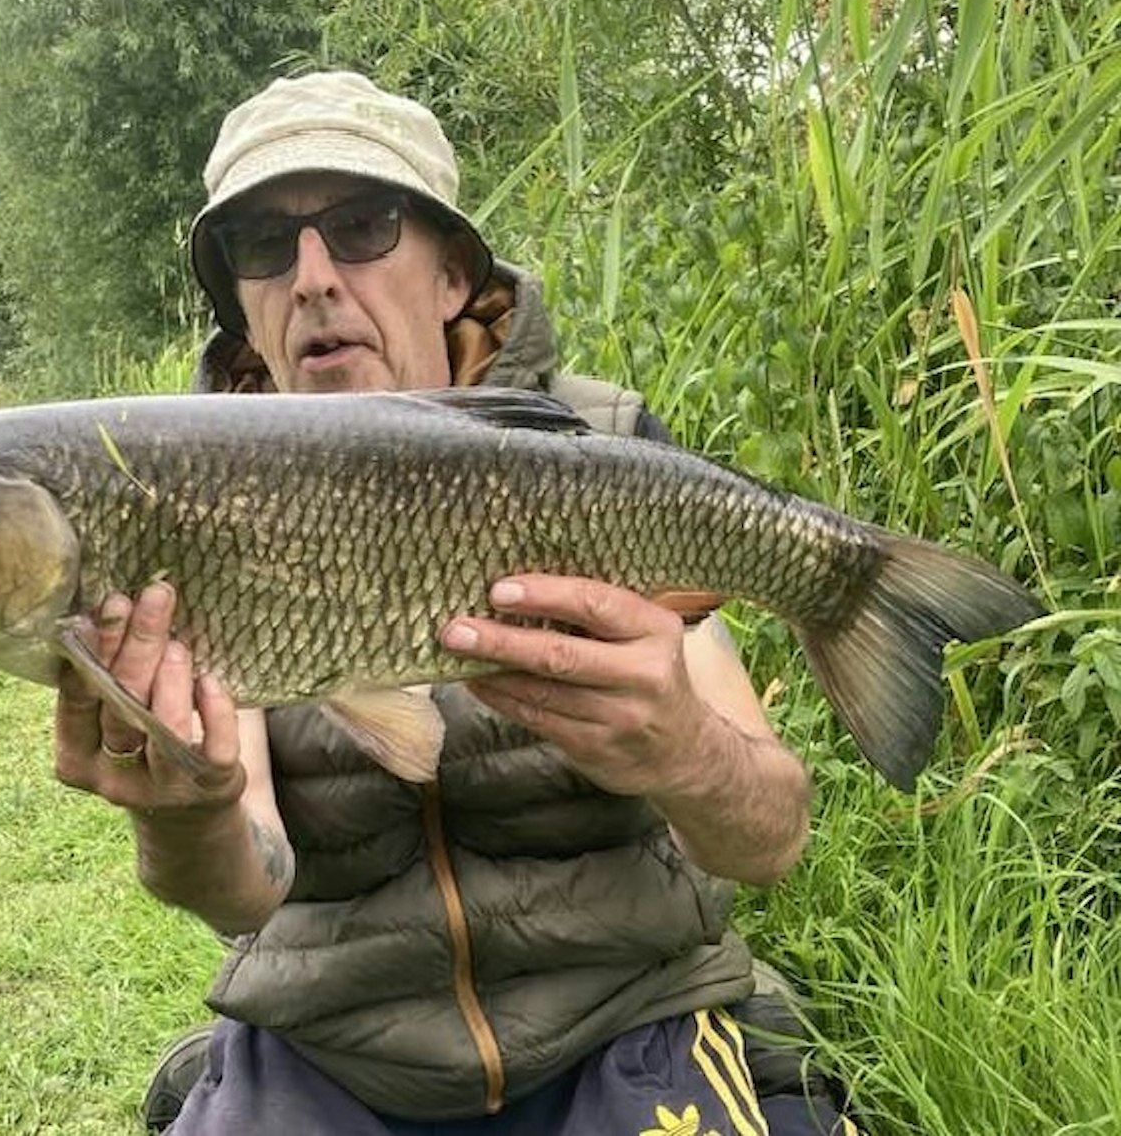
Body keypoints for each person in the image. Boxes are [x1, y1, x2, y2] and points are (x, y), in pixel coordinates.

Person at [52, 71, 859, 1135]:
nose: (312, 279)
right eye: (262, 244)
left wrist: (680, 750)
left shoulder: (597, 454)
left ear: (451, 275)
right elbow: (243, 887)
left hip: (624, 1014)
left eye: (361, 225)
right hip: (334, 1041)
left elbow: (770, 838)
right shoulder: (180, 496)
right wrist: (185, 809)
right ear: (240, 306)